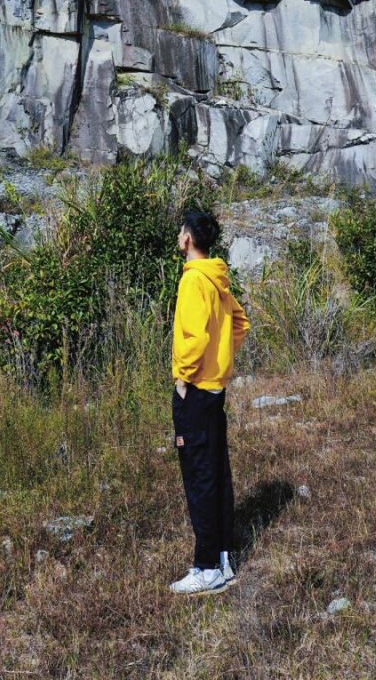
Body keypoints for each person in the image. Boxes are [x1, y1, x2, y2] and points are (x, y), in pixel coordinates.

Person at [169, 208, 250, 595]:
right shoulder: (217, 278)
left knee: (199, 476)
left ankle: (205, 568)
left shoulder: (192, 282)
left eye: (181, 231)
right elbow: (240, 323)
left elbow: (196, 337)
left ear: (187, 238)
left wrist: (184, 378)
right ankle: (222, 559)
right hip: (215, 388)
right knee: (217, 473)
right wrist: (223, 361)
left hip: (197, 391)